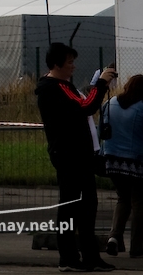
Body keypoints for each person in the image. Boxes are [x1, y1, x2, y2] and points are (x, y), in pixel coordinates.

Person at [37, 41, 118, 272]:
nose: (73, 66)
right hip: (70, 156)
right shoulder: (56, 87)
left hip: (79, 155)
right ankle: (70, 258)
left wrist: (98, 85)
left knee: (86, 206)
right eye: (70, 62)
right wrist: (102, 83)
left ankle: (89, 256)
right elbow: (86, 106)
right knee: (73, 207)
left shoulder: (64, 86)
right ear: (57, 64)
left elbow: (83, 104)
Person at [104, 75, 143, 258]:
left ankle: (114, 237)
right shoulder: (142, 106)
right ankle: (137, 247)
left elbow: (101, 130)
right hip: (136, 161)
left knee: (122, 199)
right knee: (139, 203)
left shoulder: (110, 103)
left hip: (112, 160)